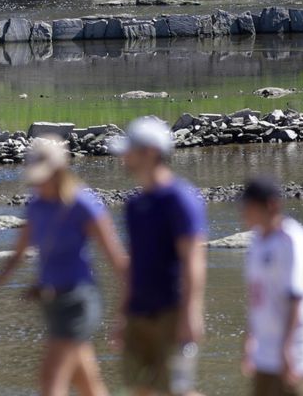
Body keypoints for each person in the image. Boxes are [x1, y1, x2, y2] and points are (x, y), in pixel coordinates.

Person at [0, 137, 128, 396]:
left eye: (44, 177)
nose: (38, 183)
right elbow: (17, 255)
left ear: (60, 172)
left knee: (50, 380)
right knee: (87, 383)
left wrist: (125, 311)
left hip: (79, 301)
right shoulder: (36, 206)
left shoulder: (83, 204)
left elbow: (116, 260)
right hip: (51, 302)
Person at [108, 117, 207, 396]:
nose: (123, 157)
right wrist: (121, 315)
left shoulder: (181, 199)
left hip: (172, 312)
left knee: (177, 390)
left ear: (150, 152)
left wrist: (191, 313)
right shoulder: (133, 205)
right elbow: (134, 266)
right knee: (139, 389)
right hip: (138, 313)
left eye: (130, 151)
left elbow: (193, 260)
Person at [239, 177, 303, 396]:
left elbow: (296, 297)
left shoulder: (292, 240)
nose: (243, 213)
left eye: (249, 207)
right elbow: (257, 297)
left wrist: (287, 349)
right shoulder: (258, 241)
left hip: (297, 346)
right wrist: (251, 339)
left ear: (271, 205)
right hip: (265, 349)